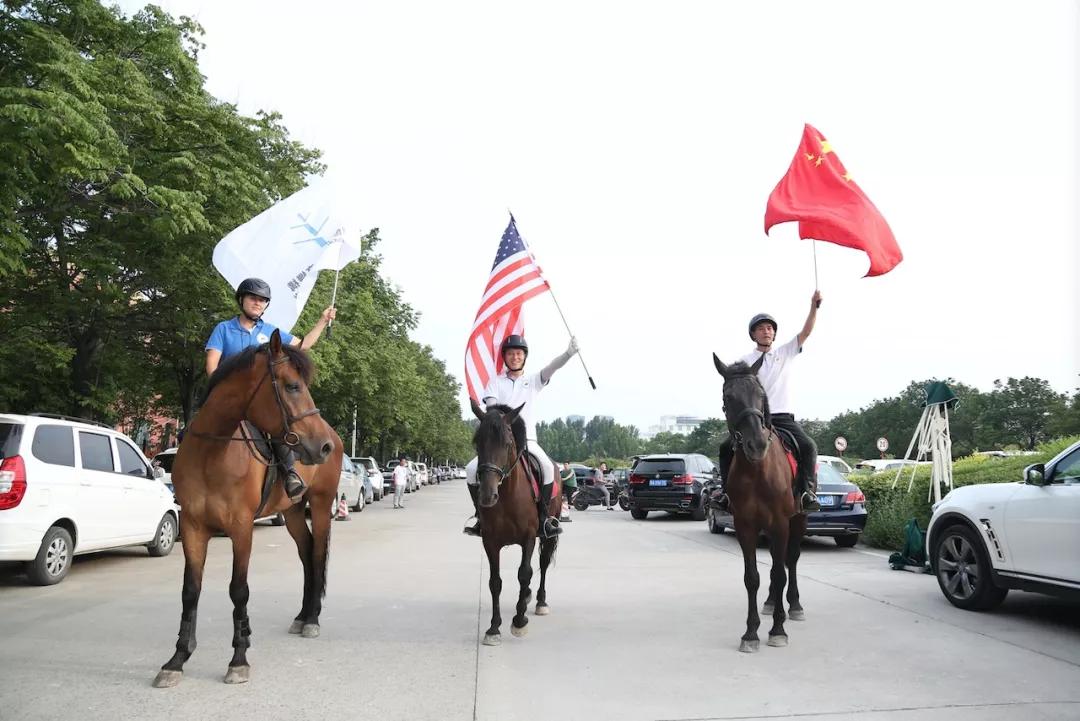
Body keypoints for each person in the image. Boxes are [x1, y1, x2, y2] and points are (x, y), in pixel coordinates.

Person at [205, 277, 337, 503]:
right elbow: (212, 366)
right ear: (241, 300)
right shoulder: (223, 329)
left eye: (263, 300)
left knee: (278, 429)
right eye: (253, 298)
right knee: (193, 428)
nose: (258, 303)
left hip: (258, 404)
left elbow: (302, 345)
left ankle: (290, 474)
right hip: (229, 401)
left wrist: (322, 321)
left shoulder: (271, 331)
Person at [464, 334, 580, 538]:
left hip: (528, 440)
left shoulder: (533, 381)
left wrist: (568, 354)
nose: (515, 357)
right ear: (505, 357)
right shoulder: (495, 383)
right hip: (501, 441)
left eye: (519, 353)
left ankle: (544, 518)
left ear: (524, 356)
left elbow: (552, 367)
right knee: (471, 468)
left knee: (547, 467)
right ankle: (480, 516)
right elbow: (492, 413)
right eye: (510, 354)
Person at [716, 291, 822, 514]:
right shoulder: (744, 362)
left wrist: (814, 307)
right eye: (762, 328)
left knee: (809, 446)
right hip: (755, 420)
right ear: (753, 334)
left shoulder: (785, 352)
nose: (767, 331)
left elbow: (807, 331)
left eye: (770, 328)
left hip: (783, 417)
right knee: (725, 448)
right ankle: (725, 494)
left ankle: (806, 493)